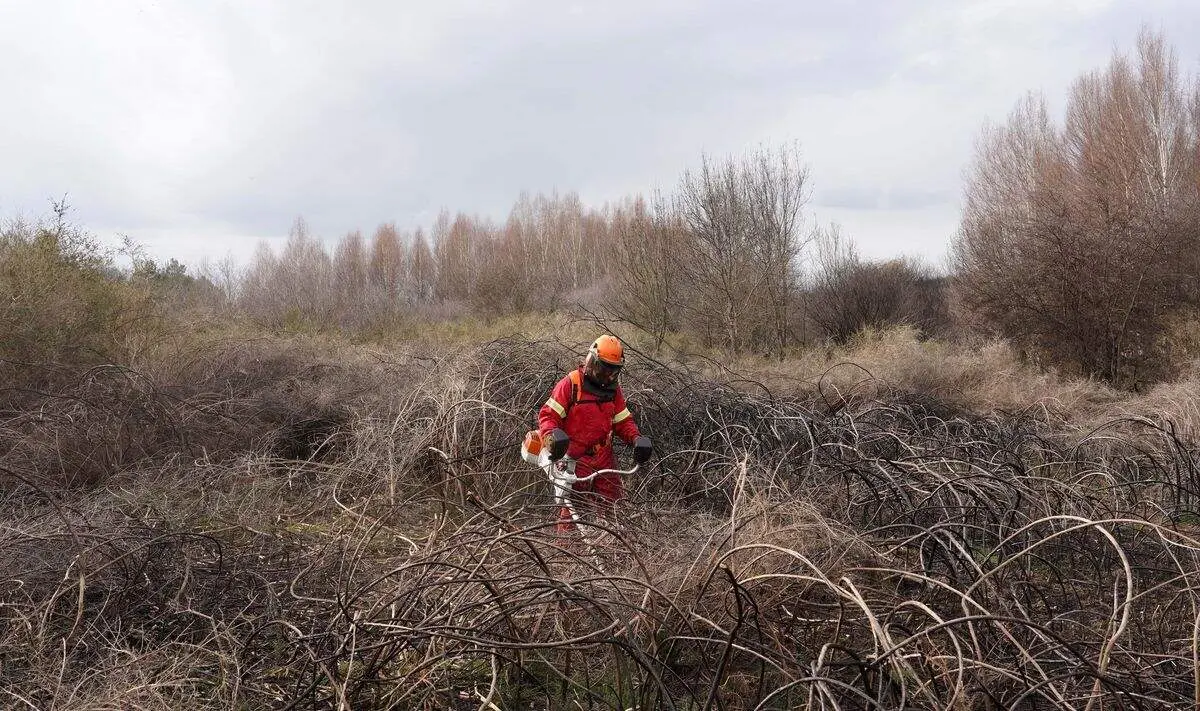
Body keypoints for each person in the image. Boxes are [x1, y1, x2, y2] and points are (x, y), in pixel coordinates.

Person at [536, 335, 652, 533]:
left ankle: (614, 553)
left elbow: (623, 421)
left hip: (603, 457)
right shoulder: (571, 384)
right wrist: (553, 435)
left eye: (612, 370)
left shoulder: (614, 391)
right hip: (574, 458)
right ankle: (567, 557)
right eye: (603, 368)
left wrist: (636, 438)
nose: (607, 375)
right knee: (572, 517)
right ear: (591, 360)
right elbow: (548, 416)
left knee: (614, 511)